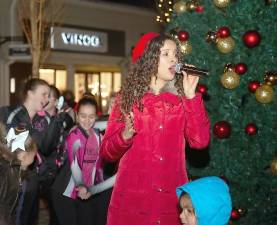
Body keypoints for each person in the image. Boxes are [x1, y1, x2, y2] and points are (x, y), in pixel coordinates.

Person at [100, 32, 210, 225]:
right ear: (149, 60)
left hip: (170, 200)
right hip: (132, 200)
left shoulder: (183, 99)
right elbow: (107, 153)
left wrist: (191, 97)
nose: (173, 58)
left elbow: (200, 142)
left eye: (175, 54)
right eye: (166, 53)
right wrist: (125, 135)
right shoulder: (126, 99)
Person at [51, 96, 112, 225]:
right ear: (77, 116)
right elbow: (75, 166)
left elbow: (110, 123)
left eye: (91, 116)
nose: (87, 120)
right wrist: (81, 185)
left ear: (96, 117)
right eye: (83, 116)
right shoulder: (74, 136)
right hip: (65, 193)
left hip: (84, 192)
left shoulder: (96, 133)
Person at [0, 78, 51, 225]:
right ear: (30, 93)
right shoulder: (15, 117)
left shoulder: (38, 120)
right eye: (44, 94)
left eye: (48, 95)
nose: (47, 99)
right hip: (12, 181)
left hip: (30, 179)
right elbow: (13, 153)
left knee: (27, 218)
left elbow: (45, 149)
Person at [0, 123, 37, 225]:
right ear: (24, 157)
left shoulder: (16, 170)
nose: (35, 159)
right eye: (34, 156)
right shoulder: (8, 175)